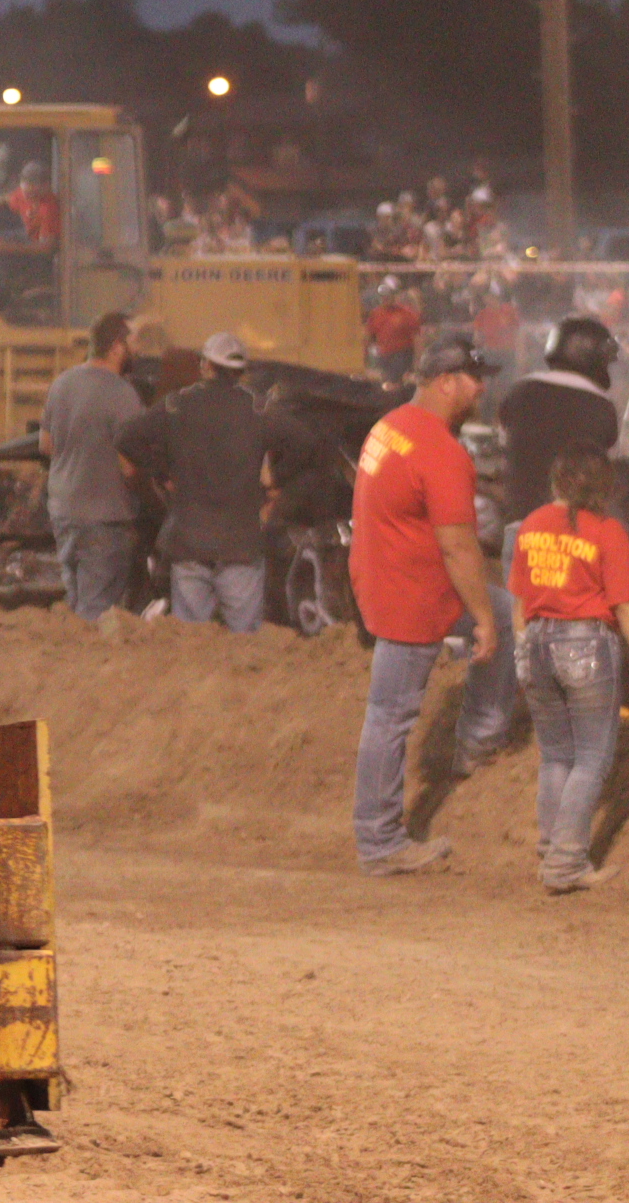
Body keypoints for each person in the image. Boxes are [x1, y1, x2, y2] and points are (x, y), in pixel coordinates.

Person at [347, 333, 519, 876]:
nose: (482, 388)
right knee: (390, 716)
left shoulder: (390, 425)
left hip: (387, 580)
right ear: (446, 382)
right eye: (474, 379)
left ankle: (477, 742)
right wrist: (482, 620)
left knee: (507, 612)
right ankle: (379, 841)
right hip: (414, 595)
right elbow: (458, 547)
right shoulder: (441, 452)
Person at [509, 444, 629, 893]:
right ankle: (566, 863)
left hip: (536, 642)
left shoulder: (531, 525)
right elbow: (626, 607)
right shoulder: (607, 531)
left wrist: (522, 653)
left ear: (557, 481)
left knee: (557, 755)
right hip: (586, 646)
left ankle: (550, 848)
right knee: (592, 758)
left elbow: (519, 601)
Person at [117, 331, 313, 633]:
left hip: (189, 542)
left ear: (206, 365)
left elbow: (127, 438)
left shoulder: (177, 406)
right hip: (241, 545)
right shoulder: (258, 410)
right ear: (240, 372)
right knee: (244, 641)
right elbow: (305, 443)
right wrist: (277, 480)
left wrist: (163, 473)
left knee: (191, 640)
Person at [39, 312, 144, 621]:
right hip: (105, 518)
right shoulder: (123, 394)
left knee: (76, 599)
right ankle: (91, 651)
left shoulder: (61, 384)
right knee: (98, 608)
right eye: (134, 342)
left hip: (63, 511)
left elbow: (46, 445)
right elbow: (130, 465)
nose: (138, 350)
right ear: (117, 348)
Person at [496, 314, 619, 565]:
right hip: (573, 535)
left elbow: (504, 447)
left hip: (520, 527)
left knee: (517, 592)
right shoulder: (602, 407)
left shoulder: (520, 391)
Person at [365, 284, 421, 384]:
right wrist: (364, 357)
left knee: (396, 382)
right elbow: (369, 336)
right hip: (384, 355)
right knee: (384, 381)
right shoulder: (376, 314)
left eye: (388, 296)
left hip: (402, 354)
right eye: (383, 296)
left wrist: (417, 359)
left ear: (394, 296)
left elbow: (417, 336)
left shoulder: (406, 313)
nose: (386, 299)